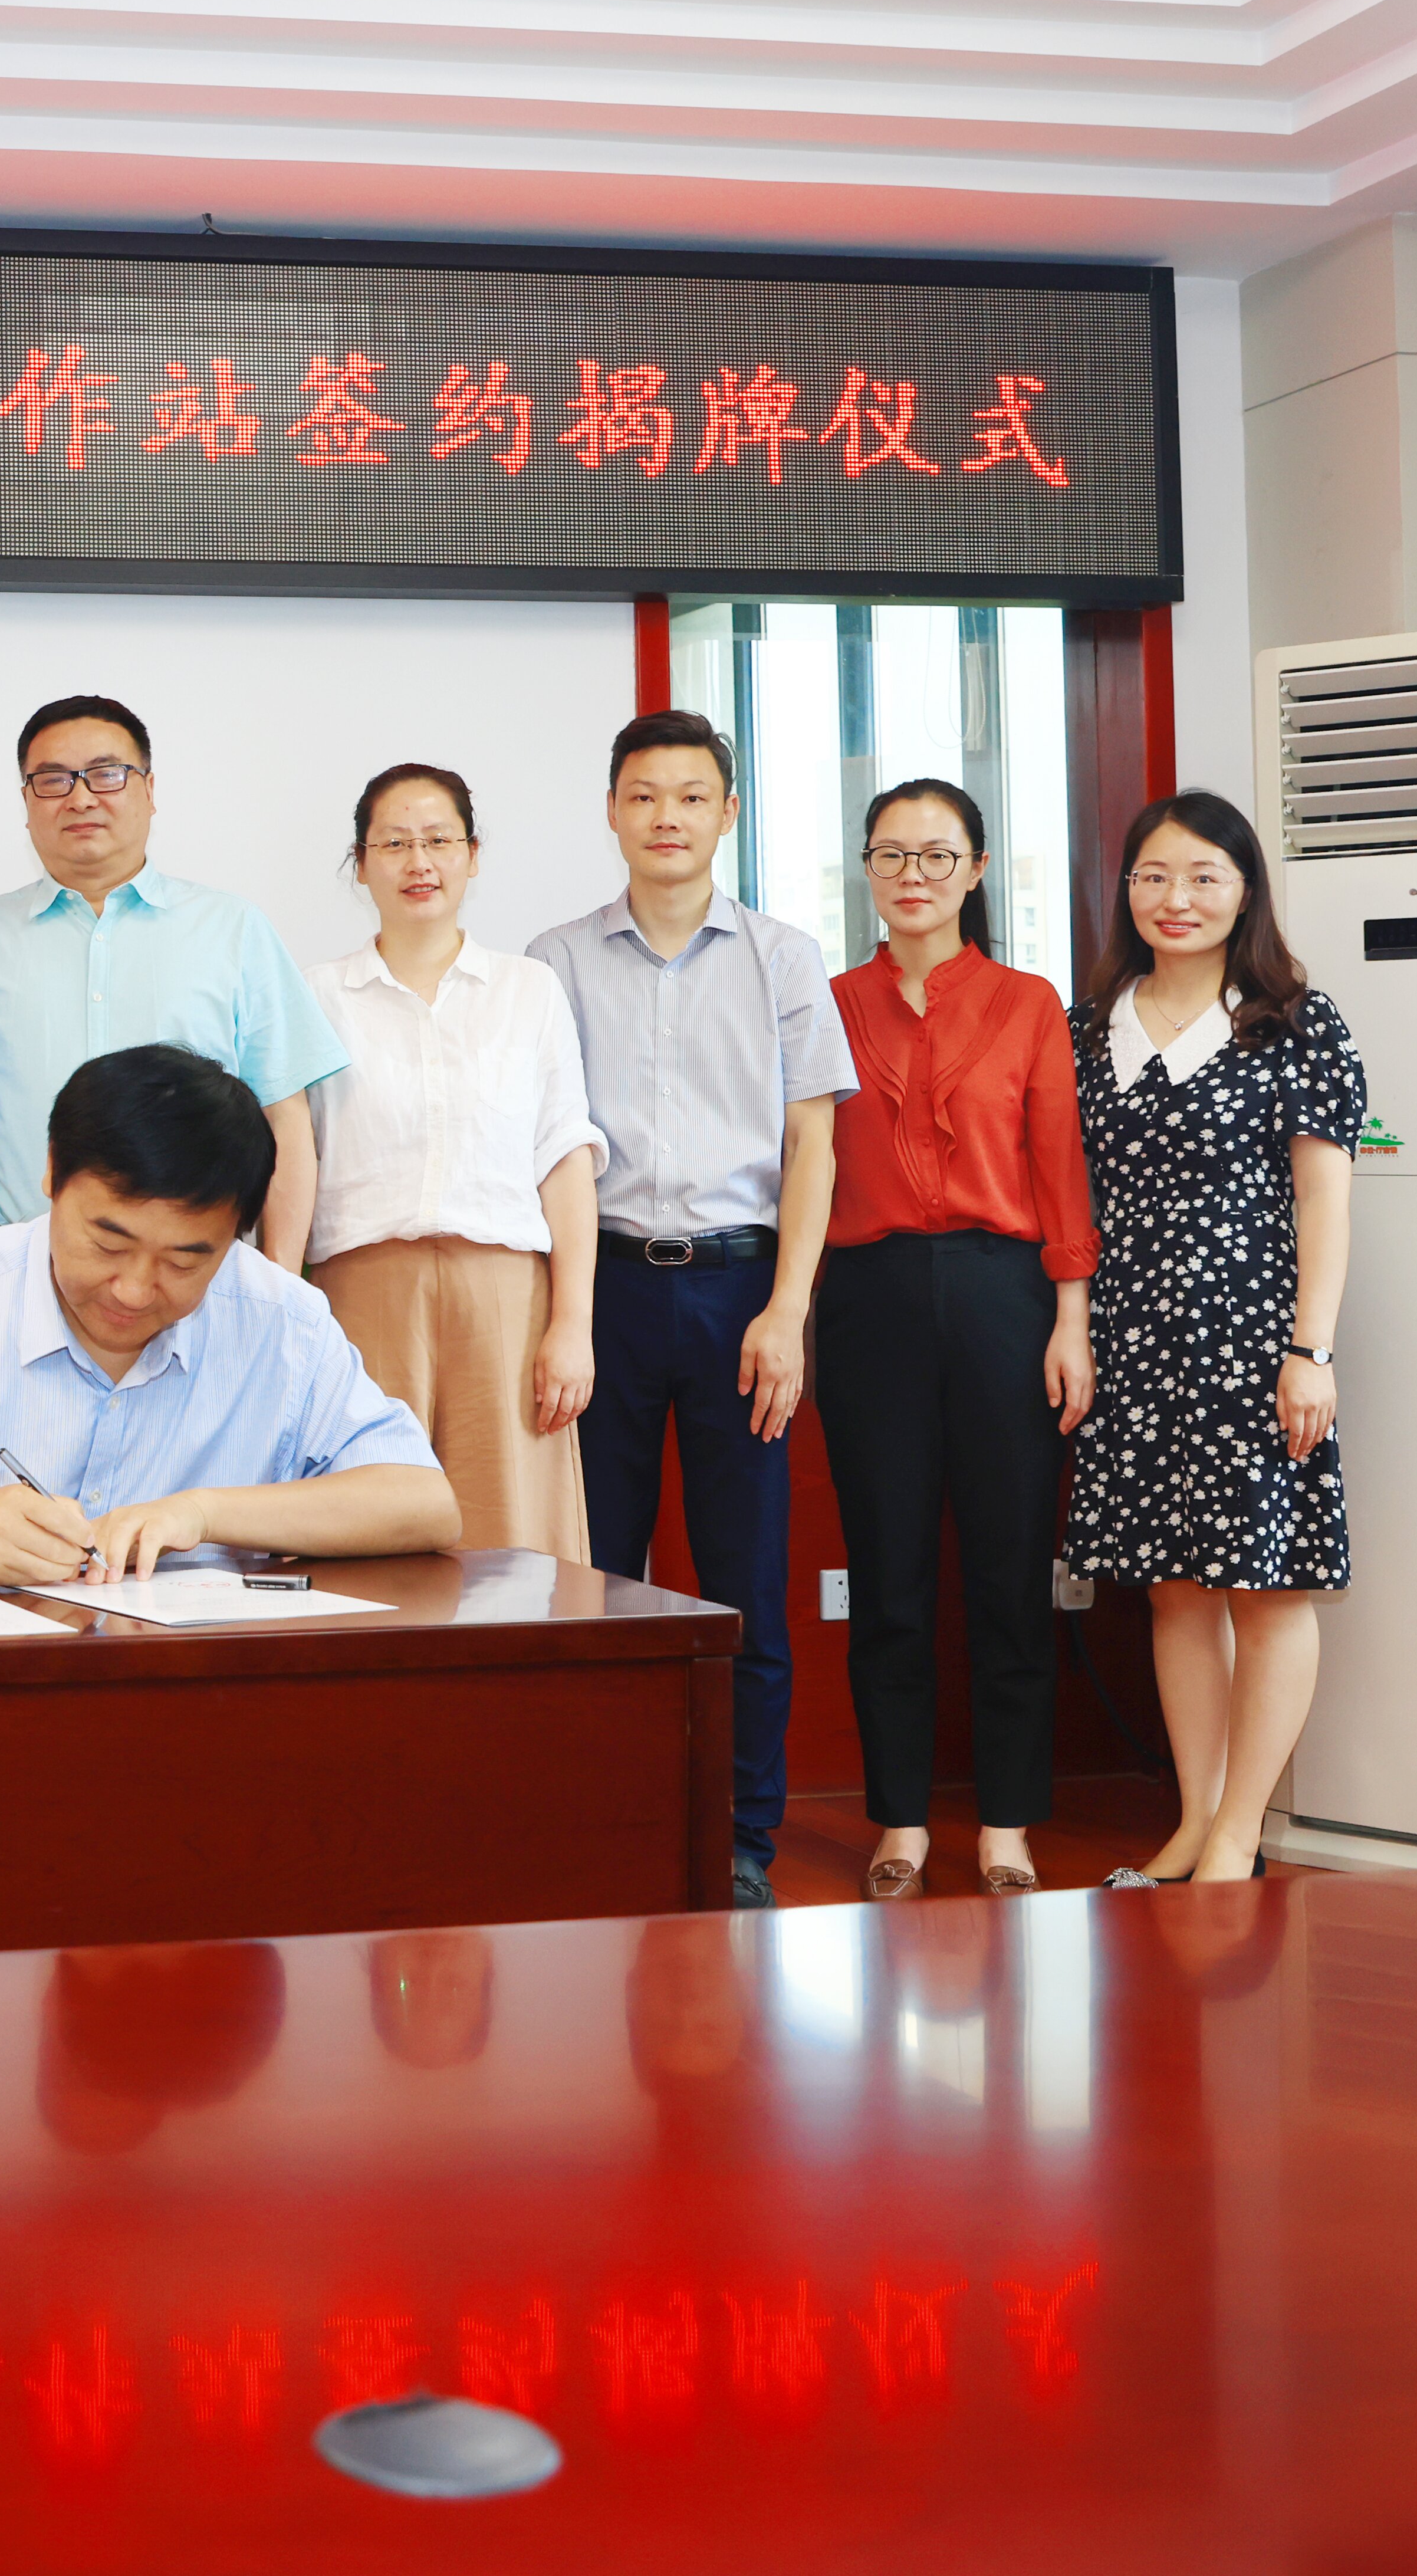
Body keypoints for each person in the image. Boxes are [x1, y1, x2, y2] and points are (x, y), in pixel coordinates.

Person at [528, 708, 854, 1911]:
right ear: (610, 811)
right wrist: (563, 1314)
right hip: (601, 1289)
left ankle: (740, 1839)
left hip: (736, 1293)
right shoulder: (553, 961)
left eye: (689, 796)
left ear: (727, 812)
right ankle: (603, 1828)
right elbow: (550, 1148)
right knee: (592, 1584)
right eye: (642, 795)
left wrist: (786, 1310)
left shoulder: (781, 957)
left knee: (741, 1588)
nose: (665, 816)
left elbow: (811, 1144)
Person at [0, 1044, 455, 1580]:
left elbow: (422, 1503)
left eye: (184, 1262)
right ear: (51, 1172)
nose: (134, 1290)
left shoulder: (281, 1322)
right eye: (108, 1242)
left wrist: (202, 1513)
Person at [814, 777, 1100, 1901]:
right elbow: (801, 1165)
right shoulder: (827, 1002)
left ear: (976, 869)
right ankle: (898, 1819)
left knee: (1007, 1563)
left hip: (1001, 1296)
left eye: (936, 855)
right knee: (886, 1569)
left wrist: (1069, 1321)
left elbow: (1057, 1167)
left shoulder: (1027, 1003)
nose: (912, 876)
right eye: (889, 855)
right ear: (866, 872)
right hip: (867, 1296)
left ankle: (1005, 1824)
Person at [1067, 789, 1360, 1888]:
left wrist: (1310, 1350)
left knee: (1265, 1583)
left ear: (1243, 892)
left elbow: (1322, 1200)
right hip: (1129, 1340)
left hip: (1252, 1342)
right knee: (1172, 1587)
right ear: (1125, 889)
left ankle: (1239, 1833)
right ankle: (1193, 1820)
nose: (1174, 897)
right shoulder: (1085, 1026)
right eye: (1152, 875)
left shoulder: (1293, 1020)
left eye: (1202, 876)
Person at [0, 695, 345, 1267]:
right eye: (52, 780)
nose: (80, 797)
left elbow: (286, 1120)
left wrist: (280, 1278)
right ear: (25, 803)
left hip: (202, 1270)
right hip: (23, 1267)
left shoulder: (232, 929)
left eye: (105, 774)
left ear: (149, 791)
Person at [307, 762, 601, 1556]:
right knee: (364, 1526)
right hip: (360, 1292)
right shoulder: (316, 996)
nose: (419, 862)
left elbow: (563, 1158)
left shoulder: (528, 989)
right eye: (393, 843)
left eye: (438, 840)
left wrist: (571, 1324)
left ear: (472, 854)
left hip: (504, 1296)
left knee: (512, 1539)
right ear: (360, 862)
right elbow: (291, 1165)